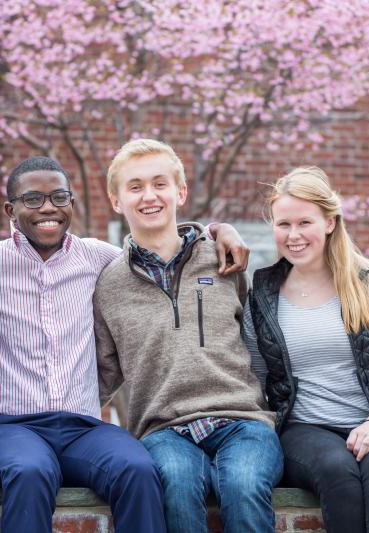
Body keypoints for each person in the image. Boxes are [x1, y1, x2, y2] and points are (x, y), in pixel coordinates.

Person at [0, 156, 251, 533]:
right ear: (10, 211)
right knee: (29, 473)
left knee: (138, 469)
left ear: (71, 204)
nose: (48, 208)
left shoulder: (102, 260)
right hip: (11, 426)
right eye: (32, 199)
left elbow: (160, 249)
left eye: (59, 198)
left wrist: (214, 231)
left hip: (83, 426)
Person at [93, 139, 283, 533]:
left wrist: (219, 230)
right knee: (176, 488)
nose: (149, 196)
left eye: (160, 184)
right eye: (135, 187)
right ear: (116, 201)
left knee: (243, 485)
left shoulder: (224, 258)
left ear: (180, 192)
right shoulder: (108, 284)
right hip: (163, 430)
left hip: (242, 420)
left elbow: (257, 342)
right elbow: (100, 374)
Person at [245, 166, 369, 533]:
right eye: (283, 224)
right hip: (304, 429)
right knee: (338, 470)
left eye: (305, 222)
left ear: (330, 222)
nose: (294, 235)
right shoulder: (262, 297)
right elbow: (256, 379)